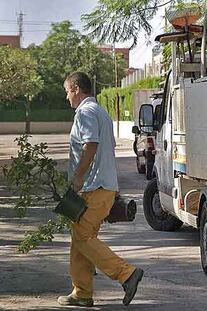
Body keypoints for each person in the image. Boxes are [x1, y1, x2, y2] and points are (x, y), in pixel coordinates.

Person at [58, 72, 143, 307]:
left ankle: (126, 273)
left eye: (67, 91)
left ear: (76, 89)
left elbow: (91, 145)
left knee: (83, 237)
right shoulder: (102, 113)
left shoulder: (85, 112)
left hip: (93, 187)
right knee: (80, 238)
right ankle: (82, 293)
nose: (67, 97)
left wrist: (77, 178)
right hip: (102, 187)